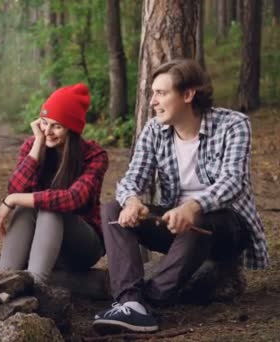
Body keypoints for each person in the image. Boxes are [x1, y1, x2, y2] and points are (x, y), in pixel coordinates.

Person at [92, 59, 269, 334]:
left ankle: (150, 299)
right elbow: (132, 179)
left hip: (226, 229)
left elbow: (232, 182)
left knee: (202, 219)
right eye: (152, 93)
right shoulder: (154, 130)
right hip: (176, 226)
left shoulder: (233, 124)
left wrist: (193, 206)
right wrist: (132, 201)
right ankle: (131, 303)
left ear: (188, 95)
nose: (153, 101)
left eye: (161, 93)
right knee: (112, 210)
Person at [0, 83, 108, 284]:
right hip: (41, 245)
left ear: (72, 129)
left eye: (57, 126)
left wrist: (12, 199)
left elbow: (73, 199)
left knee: (50, 208)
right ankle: (4, 281)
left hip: (82, 247)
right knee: (24, 209)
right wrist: (37, 146)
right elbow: (15, 187)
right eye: (44, 123)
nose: (48, 131)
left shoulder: (94, 156)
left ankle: (36, 288)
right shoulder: (33, 144)